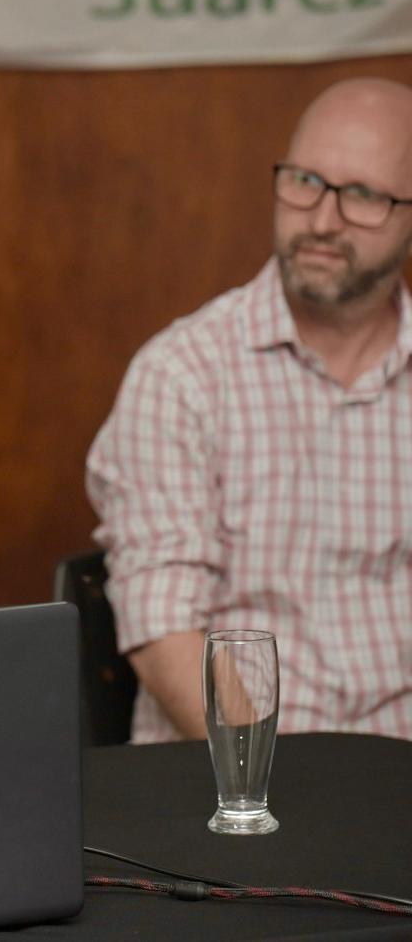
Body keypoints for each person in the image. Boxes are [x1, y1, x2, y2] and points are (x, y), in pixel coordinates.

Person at [87, 77, 412, 744]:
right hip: (236, 788)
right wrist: (268, 794)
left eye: (363, 196)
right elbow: (162, 626)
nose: (322, 221)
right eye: (304, 181)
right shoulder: (181, 374)